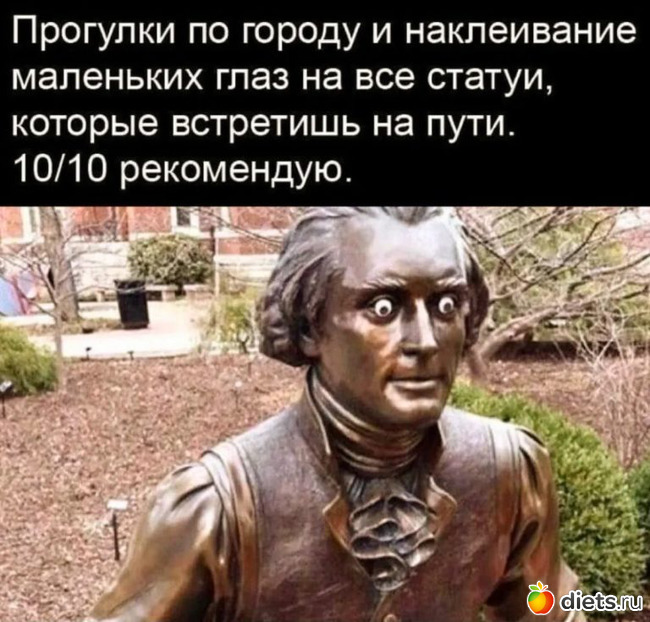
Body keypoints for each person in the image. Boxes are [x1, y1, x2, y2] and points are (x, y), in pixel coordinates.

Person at [88, 207, 584, 622]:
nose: (426, 340)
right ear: (310, 326)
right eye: (384, 308)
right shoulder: (217, 511)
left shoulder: (508, 473)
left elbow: (547, 609)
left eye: (446, 304)